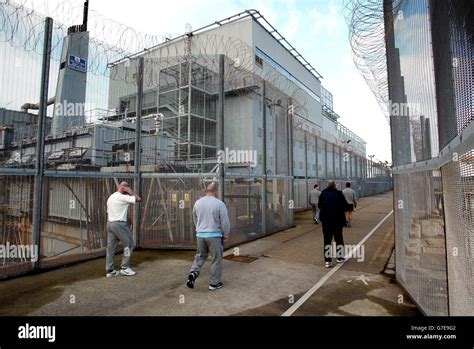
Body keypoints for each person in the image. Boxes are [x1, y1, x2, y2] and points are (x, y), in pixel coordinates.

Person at [186, 183, 230, 291]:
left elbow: (194, 218)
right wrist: (226, 234)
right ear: (216, 192)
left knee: (200, 256)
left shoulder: (197, 203)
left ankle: (193, 273)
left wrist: (199, 229)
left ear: (206, 191)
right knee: (216, 259)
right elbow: (225, 222)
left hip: (200, 235)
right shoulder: (219, 204)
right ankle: (214, 283)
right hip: (214, 235)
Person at [105, 181, 141, 277]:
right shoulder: (122, 197)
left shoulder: (111, 197)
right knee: (129, 244)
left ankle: (110, 271)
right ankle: (125, 268)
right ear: (124, 188)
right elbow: (138, 199)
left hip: (110, 223)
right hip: (119, 224)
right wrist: (131, 191)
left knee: (111, 247)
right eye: (126, 188)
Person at [318, 180, 347, 268]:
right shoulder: (339, 194)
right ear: (335, 185)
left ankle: (327, 261)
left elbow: (319, 205)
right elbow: (344, 206)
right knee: (339, 239)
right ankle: (339, 257)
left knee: (327, 240)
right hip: (337, 220)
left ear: (327, 185)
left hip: (326, 221)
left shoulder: (323, 193)